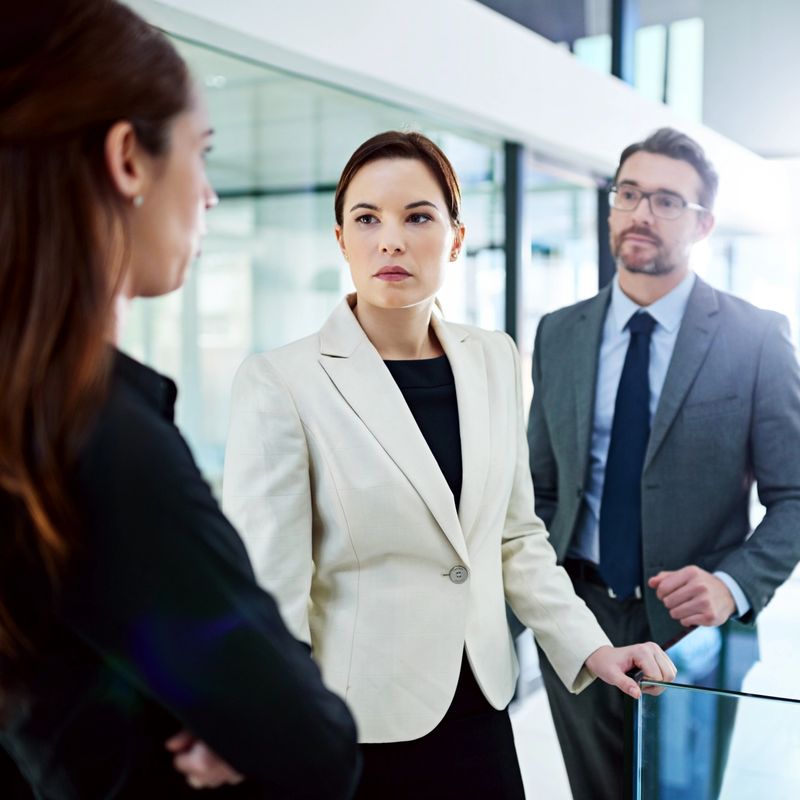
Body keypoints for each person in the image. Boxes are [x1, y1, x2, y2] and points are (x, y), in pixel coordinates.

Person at [222, 130, 677, 800]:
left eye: (417, 217)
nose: (391, 241)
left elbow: (515, 538)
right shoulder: (282, 382)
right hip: (355, 727)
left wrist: (590, 645)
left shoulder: (493, 357)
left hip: (482, 710)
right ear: (341, 240)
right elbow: (270, 587)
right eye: (367, 219)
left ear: (457, 239)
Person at [0, 2, 360, 797]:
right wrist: (243, 720)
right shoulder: (103, 435)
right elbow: (314, 748)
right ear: (128, 159)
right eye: (203, 153)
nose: (210, 196)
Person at [527, 127, 800, 800]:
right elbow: (540, 490)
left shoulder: (755, 337)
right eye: (628, 193)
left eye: (668, 201)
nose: (641, 213)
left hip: (692, 632)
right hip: (578, 615)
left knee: (680, 795)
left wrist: (732, 586)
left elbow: (795, 494)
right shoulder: (559, 333)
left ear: (703, 224)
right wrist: (542, 603)